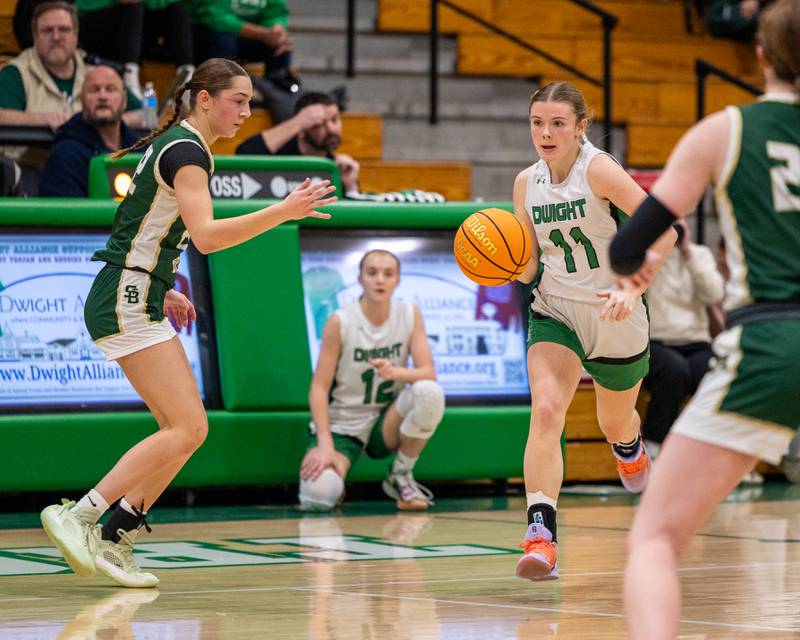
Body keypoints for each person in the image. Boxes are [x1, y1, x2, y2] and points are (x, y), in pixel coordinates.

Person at [38, 57, 337, 588]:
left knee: (184, 431)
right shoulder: (187, 152)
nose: (247, 111)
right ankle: (81, 515)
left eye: (250, 101)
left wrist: (164, 284)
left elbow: (147, 226)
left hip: (138, 291)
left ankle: (115, 536)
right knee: (188, 426)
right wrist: (282, 210)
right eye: (238, 100)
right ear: (204, 98)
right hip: (126, 296)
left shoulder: (183, 146)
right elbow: (207, 236)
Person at [612, 2, 800, 637]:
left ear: (760, 54)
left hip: (772, 342)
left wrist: (632, 267)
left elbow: (629, 243)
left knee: (656, 539)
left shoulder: (725, 131)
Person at [511, 81, 677, 581]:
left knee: (614, 422)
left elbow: (664, 229)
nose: (545, 132)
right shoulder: (526, 182)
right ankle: (541, 534)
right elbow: (525, 268)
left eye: (558, 122)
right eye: (538, 122)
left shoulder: (599, 169)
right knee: (545, 410)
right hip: (555, 309)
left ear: (581, 126)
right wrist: (493, 262)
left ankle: (629, 446)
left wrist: (632, 289)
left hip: (613, 312)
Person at [298, 249, 445, 512]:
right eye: (372, 273)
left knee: (429, 392)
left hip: (385, 421)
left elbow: (428, 372)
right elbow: (318, 388)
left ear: (397, 281)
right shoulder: (340, 321)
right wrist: (324, 444)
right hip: (343, 424)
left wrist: (396, 373)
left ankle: (400, 474)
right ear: (359, 279)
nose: (380, 280)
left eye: (388, 274)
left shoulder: (409, 313)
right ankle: (337, 479)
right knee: (318, 495)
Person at [642, 218, 725, 456]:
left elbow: (714, 292)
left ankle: (712, 449)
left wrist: (688, 252)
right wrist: (658, 248)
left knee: (714, 372)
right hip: (657, 342)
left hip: (696, 342)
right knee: (674, 371)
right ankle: (655, 445)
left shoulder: (700, 255)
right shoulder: (648, 254)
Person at [0, 1, 141, 129]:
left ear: (76, 35)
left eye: (64, 30)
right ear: (35, 36)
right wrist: (43, 119)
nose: (56, 37)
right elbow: (2, 116)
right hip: (33, 157)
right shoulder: (15, 73)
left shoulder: (95, 69)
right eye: (48, 30)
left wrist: (112, 121)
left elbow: (145, 114)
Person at [39, 65, 139, 197]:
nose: (103, 96)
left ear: (124, 100)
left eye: (111, 89)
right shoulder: (65, 154)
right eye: (94, 90)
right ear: (81, 99)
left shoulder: (142, 149)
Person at [236, 91, 361, 195]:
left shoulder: (337, 167)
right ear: (302, 128)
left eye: (334, 120)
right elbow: (243, 154)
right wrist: (298, 122)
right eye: (319, 123)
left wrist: (351, 187)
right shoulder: (280, 154)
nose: (331, 129)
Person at [75, 0, 195, 101]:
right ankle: (130, 84)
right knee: (133, 8)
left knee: (176, 9)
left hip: (134, 29)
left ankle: (187, 81)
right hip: (93, 23)